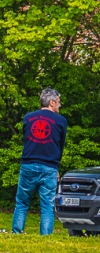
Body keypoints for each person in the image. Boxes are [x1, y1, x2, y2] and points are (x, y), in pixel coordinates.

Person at [12, 89, 67, 235]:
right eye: (59, 103)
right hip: (49, 166)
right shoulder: (61, 121)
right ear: (52, 102)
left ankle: (17, 232)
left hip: (28, 164)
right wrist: (56, 167)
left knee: (22, 202)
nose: (59, 106)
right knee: (47, 205)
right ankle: (45, 237)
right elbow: (60, 146)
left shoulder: (28, 118)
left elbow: (26, 139)